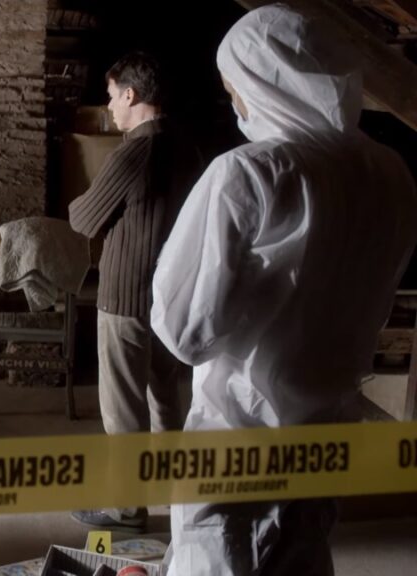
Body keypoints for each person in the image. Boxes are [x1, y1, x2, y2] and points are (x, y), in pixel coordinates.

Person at [152, 6, 417, 575]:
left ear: (263, 81)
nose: (235, 103)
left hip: (238, 443)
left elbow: (185, 332)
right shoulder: (390, 172)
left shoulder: (249, 172)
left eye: (235, 87)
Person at [68, 52, 202, 532]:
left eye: (111, 96)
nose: (109, 107)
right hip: (172, 296)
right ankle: (176, 494)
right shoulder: (186, 147)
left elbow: (83, 218)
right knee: (167, 397)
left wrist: (88, 204)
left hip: (126, 297)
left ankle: (126, 511)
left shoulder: (133, 152)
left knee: (124, 410)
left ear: (131, 94)